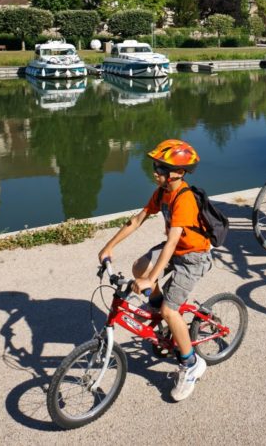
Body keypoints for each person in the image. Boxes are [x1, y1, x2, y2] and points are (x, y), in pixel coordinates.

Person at [97, 139, 212, 401]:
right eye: (155, 166)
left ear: (178, 172)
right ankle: (160, 308)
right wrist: (108, 246)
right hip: (178, 249)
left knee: (170, 311)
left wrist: (151, 279)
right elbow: (137, 220)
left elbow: (172, 242)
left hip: (193, 256)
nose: (155, 172)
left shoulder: (184, 198)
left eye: (160, 167)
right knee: (139, 266)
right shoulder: (162, 192)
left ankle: (191, 365)